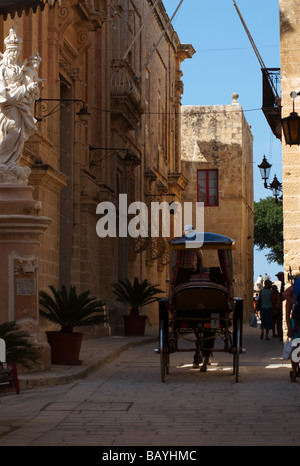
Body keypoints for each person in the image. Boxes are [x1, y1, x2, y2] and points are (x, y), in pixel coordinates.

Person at [0, 28, 40, 166]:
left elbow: (28, 81)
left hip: (19, 105)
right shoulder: (2, 67)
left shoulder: (18, 67)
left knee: (18, 134)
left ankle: (9, 162)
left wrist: (31, 87)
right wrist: (25, 89)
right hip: (8, 106)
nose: (15, 53)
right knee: (13, 131)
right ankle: (2, 158)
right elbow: (3, 94)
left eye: (17, 51)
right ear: (8, 51)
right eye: (12, 51)